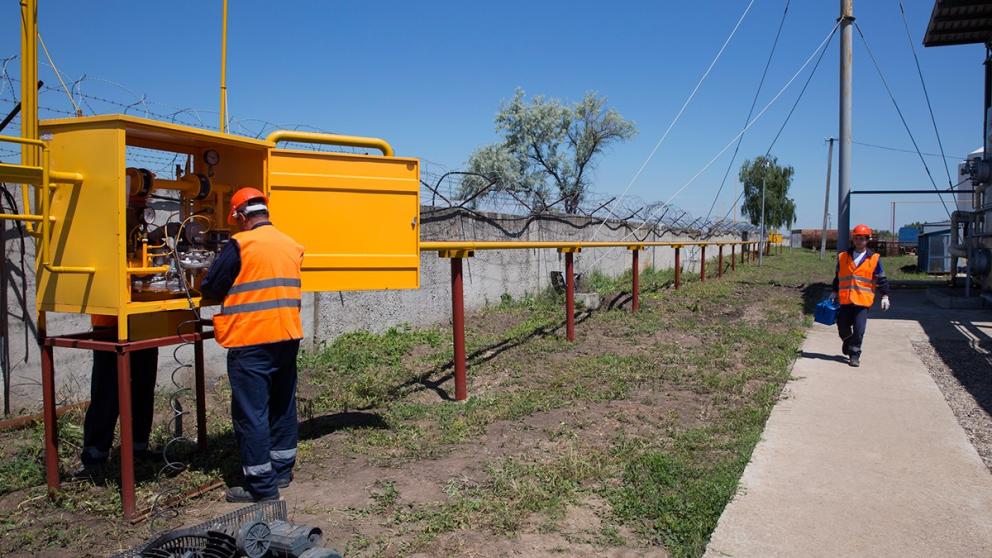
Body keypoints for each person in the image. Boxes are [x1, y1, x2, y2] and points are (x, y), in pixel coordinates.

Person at [201, 187, 304, 503]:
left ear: (241, 216)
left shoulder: (241, 245)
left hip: (252, 341)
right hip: (287, 336)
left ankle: (261, 488)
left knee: (252, 413)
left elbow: (212, 287)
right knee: (282, 404)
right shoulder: (290, 244)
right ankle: (282, 470)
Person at [74, 315, 159, 480]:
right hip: (109, 321)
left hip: (145, 318)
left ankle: (138, 448)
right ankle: (94, 456)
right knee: (106, 394)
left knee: (143, 389)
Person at [830, 224, 891, 367]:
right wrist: (834, 291)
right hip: (845, 299)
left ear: (867, 240)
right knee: (842, 326)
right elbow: (838, 277)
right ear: (853, 239)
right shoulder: (843, 256)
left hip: (862, 301)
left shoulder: (874, 259)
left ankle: (854, 355)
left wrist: (885, 295)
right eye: (857, 238)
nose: (859, 241)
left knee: (859, 329)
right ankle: (848, 340)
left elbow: (881, 278)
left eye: (862, 238)